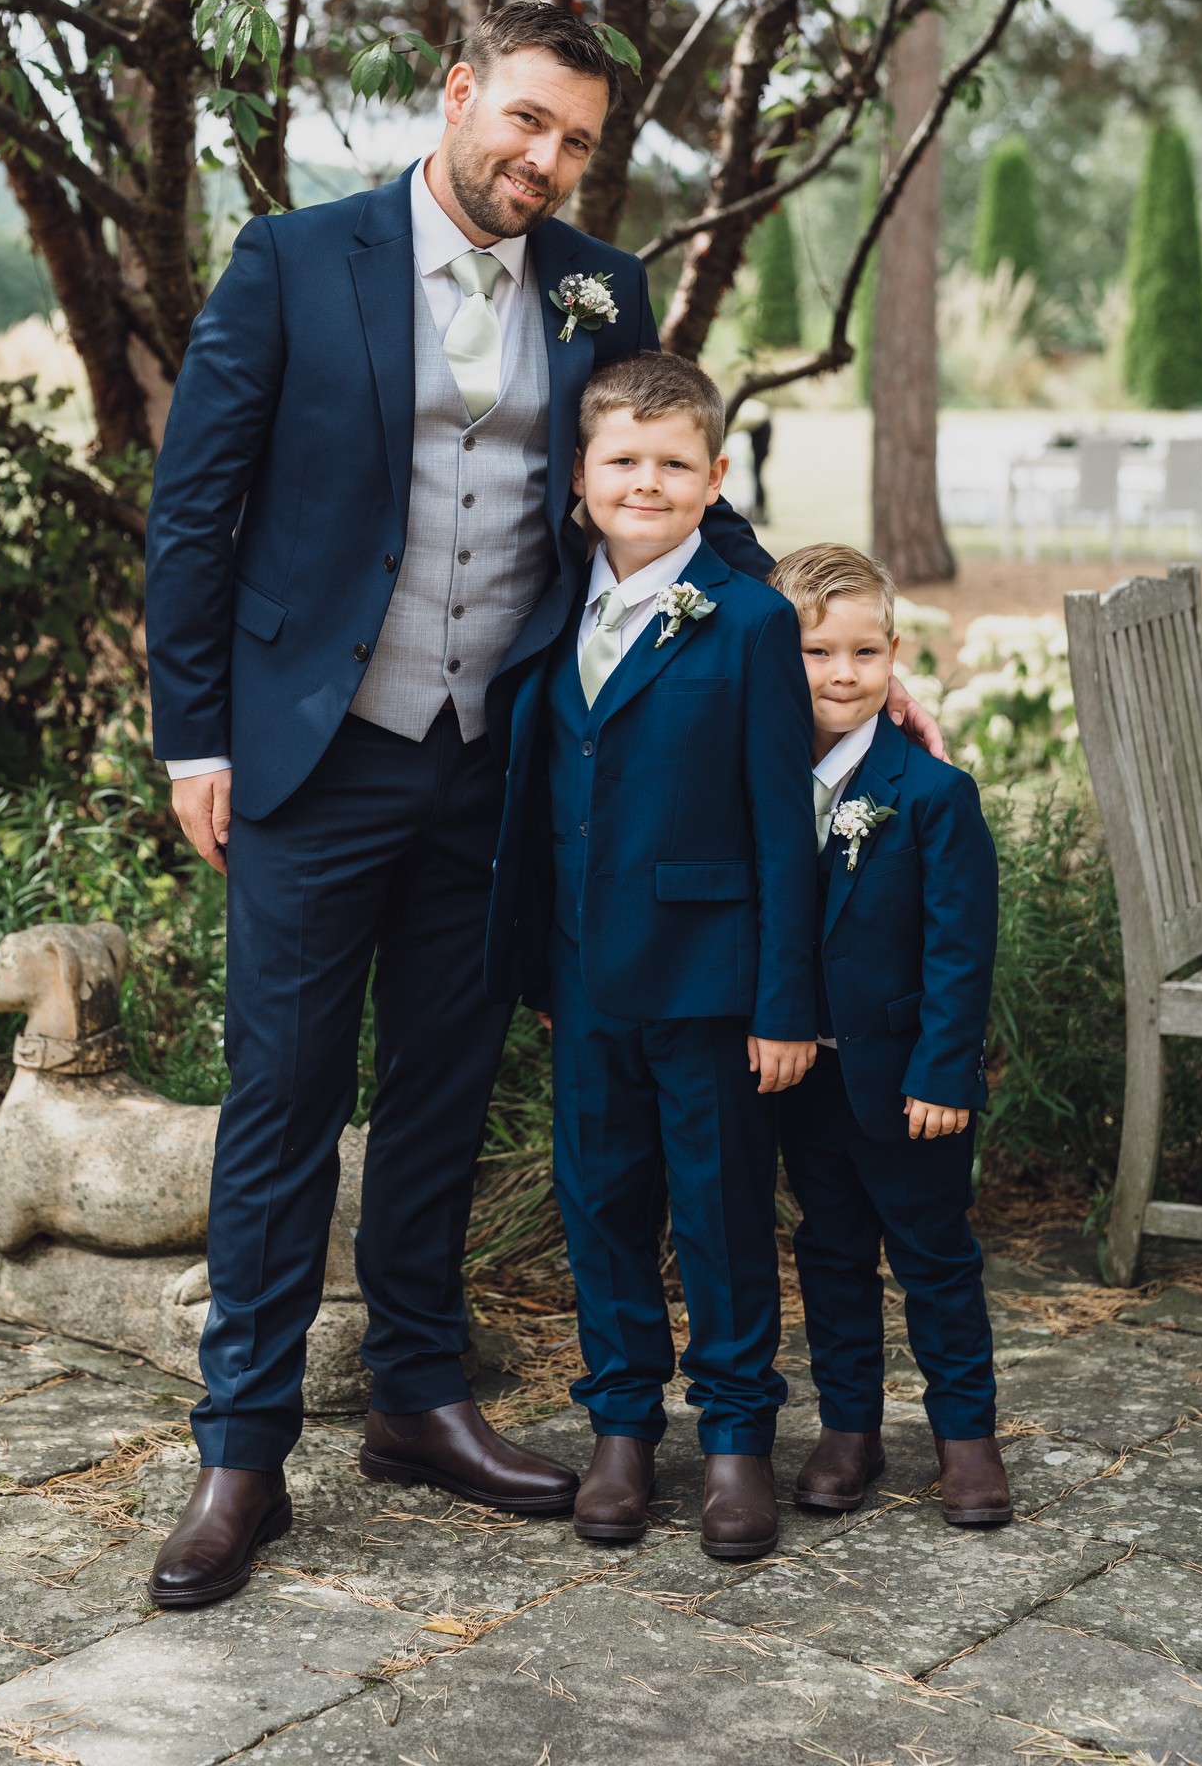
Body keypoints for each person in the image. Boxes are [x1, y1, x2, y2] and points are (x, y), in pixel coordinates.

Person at [141, 3, 781, 1609]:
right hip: (315, 755)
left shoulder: (596, 285)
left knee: (441, 1085)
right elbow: (195, 508)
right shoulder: (296, 261)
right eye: (526, 121)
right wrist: (193, 738)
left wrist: (830, 644)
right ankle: (242, 1451)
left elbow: (666, 493)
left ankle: (419, 1399)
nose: (545, 160)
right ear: (457, 93)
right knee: (284, 1098)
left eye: (576, 142)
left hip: (497, 762)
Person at [484, 352, 818, 1562]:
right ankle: (621, 1427)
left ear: (714, 477)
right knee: (601, 1202)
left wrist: (784, 1002)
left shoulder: (753, 621)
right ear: (578, 473)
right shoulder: (548, 604)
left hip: (709, 980)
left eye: (674, 464)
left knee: (719, 1207)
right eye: (621, 459)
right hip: (581, 978)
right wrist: (535, 965)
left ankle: (734, 1436)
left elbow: (783, 827)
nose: (646, 482)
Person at [767, 543, 1010, 1529]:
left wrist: (944, 1071)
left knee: (933, 1259)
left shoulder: (933, 794)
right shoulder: (763, 783)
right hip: (803, 1078)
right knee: (830, 1254)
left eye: (864, 653)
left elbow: (961, 948)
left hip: (909, 1083)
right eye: (817, 652)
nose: (842, 673)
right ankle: (848, 1431)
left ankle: (966, 1437)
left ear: (895, 655)